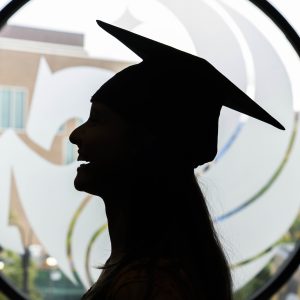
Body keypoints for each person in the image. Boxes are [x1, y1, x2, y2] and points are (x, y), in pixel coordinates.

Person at [69, 21, 285, 300]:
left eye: (97, 119)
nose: (76, 135)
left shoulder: (146, 287)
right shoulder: (152, 273)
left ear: (146, 142)